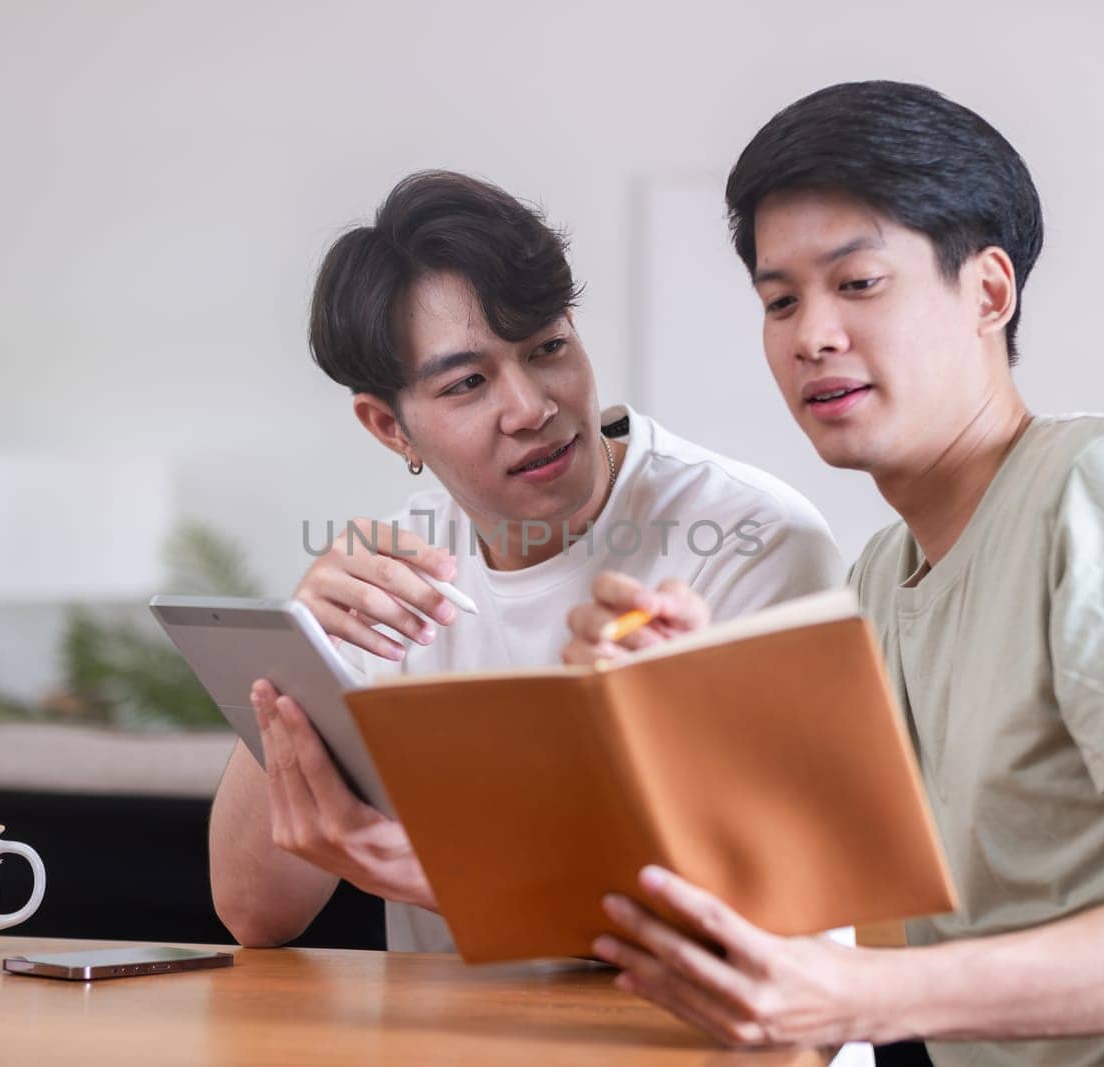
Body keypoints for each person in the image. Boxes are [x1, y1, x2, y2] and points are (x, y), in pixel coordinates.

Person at [570, 82, 1104, 1065]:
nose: (811, 334)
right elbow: (798, 867)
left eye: (857, 282)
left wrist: (861, 996)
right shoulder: (882, 579)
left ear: (988, 291)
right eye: (779, 299)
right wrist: (671, 699)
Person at [208, 170, 845, 959]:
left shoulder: (752, 540)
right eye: (469, 382)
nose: (532, 407)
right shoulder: (394, 582)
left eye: (548, 348)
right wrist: (297, 659)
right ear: (388, 427)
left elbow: (778, 923)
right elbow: (253, 909)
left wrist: (443, 873)